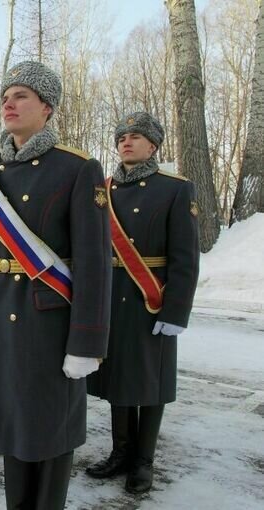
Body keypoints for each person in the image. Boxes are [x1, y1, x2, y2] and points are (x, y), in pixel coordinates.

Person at [0, 61, 112, 510]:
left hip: (47, 321)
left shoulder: (78, 168)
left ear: (47, 108)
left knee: (47, 428)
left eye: (21, 95)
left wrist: (87, 343)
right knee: (11, 426)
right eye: (6, 95)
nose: (9, 101)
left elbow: (95, 262)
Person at [86, 112, 200, 494]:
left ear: (153, 146)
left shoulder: (175, 188)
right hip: (110, 296)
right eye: (121, 137)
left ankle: (143, 460)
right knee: (118, 378)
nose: (126, 142)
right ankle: (121, 451)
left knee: (150, 381)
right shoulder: (103, 189)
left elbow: (186, 257)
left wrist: (176, 311)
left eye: (135, 136)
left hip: (150, 298)